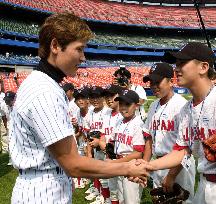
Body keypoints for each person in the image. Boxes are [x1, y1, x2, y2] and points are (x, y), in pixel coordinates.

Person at [9, 12, 152, 204]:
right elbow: (73, 164)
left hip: (45, 183)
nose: (83, 57)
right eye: (79, 49)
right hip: (43, 190)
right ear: (55, 46)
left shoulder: (46, 84)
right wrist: (128, 168)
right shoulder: (44, 91)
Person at [134, 42, 216, 204]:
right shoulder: (186, 110)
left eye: (183, 63)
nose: (177, 68)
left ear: (203, 67)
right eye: (176, 64)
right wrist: (148, 165)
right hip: (205, 184)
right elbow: (181, 151)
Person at [142, 62, 195, 203]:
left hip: (179, 167)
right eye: (151, 82)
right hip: (158, 163)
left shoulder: (182, 105)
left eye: (157, 81)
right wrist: (145, 167)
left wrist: (171, 175)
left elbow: (186, 147)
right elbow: (148, 139)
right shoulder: (153, 105)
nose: (153, 85)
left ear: (171, 82)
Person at [108, 89, 146, 204]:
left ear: (136, 106)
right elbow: (112, 141)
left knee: (131, 200)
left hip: (131, 166)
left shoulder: (138, 124)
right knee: (122, 198)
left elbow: (138, 153)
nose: (123, 107)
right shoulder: (119, 121)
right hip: (120, 164)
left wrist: (114, 163)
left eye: (127, 104)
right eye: (121, 104)